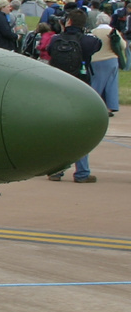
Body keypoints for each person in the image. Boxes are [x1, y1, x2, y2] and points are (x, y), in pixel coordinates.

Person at [47, 10, 102, 183]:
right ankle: (82, 172)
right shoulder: (88, 41)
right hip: (80, 87)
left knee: (58, 129)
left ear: (68, 21)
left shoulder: (56, 39)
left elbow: (49, 51)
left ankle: (56, 170)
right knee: (81, 131)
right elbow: (98, 45)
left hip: (58, 87)